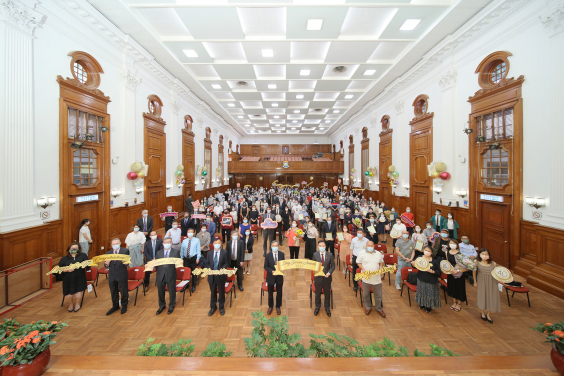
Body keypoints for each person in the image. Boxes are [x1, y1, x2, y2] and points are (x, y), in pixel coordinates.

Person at [356, 240, 385, 317]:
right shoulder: (362, 253)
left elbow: (381, 262)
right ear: (366, 246)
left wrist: (381, 267)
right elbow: (358, 262)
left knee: (378, 295)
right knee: (366, 294)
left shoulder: (378, 254)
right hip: (366, 278)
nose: (370, 247)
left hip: (377, 278)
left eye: (371, 246)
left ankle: (379, 308)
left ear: (374, 246)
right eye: (368, 245)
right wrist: (363, 269)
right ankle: (368, 307)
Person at [472, 248, 500, 324]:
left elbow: (496, 273)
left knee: (492, 297)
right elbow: (474, 273)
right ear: (480, 255)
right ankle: (482, 313)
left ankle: (488, 314)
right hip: (481, 281)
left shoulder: (493, 263)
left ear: (489, 255)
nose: (485, 256)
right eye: (483, 254)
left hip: (492, 281)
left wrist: (499, 281)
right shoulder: (476, 262)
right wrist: (475, 282)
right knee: (482, 296)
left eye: (486, 254)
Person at [59, 243, 88, 312]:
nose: (74, 250)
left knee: (79, 290)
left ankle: (77, 304)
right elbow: (58, 270)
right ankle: (70, 305)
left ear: (78, 250)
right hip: (68, 278)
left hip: (79, 277)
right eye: (72, 248)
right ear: (69, 250)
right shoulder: (64, 259)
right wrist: (67, 270)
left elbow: (88, 266)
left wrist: (83, 266)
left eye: (75, 248)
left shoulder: (83, 256)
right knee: (68, 292)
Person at [412, 245, 442, 313]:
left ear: (431, 253)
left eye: (429, 251)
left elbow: (439, 273)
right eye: (426, 250)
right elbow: (414, 266)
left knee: (430, 294)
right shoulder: (419, 257)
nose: (427, 252)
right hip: (421, 278)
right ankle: (422, 304)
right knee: (421, 292)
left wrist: (432, 271)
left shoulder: (435, 261)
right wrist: (413, 264)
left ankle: (429, 306)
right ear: (423, 251)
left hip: (431, 280)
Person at [105, 238, 129, 315]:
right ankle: (115, 306)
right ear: (111, 245)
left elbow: (127, 264)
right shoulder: (108, 253)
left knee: (123, 291)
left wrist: (124, 262)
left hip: (121, 274)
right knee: (113, 291)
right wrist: (107, 263)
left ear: (120, 243)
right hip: (112, 275)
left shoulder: (125, 251)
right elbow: (105, 265)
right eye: (114, 244)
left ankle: (124, 305)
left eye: (117, 243)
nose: (115, 245)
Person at [155, 237, 179, 315]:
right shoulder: (159, 253)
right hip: (160, 275)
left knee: (171, 291)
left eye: (169, 242)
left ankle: (171, 305)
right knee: (160, 292)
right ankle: (162, 305)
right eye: (166, 242)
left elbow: (178, 263)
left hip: (171, 274)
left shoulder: (176, 252)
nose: (167, 243)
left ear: (171, 243)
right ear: (163, 244)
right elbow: (156, 265)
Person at [206, 239, 229, 316]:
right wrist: (208, 268)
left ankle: (221, 307)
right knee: (212, 292)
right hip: (212, 276)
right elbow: (207, 263)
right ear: (213, 244)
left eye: (218, 243)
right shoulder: (209, 253)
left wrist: (223, 268)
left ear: (221, 244)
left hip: (221, 276)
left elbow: (227, 262)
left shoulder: (224, 252)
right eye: (215, 243)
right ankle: (213, 307)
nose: (217, 244)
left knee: (221, 292)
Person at [312, 241, 335, 317]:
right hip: (318, 277)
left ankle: (327, 307)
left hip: (327, 278)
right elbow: (313, 265)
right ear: (318, 247)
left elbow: (333, 266)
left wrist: (329, 272)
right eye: (320, 245)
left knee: (327, 293)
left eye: (323, 245)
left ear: (325, 246)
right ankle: (317, 307)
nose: (321, 247)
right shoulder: (315, 255)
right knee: (317, 293)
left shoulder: (330, 254)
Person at [446, 239, 467, 312]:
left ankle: (459, 303)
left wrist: (457, 270)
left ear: (457, 245)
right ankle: (454, 302)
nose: (452, 244)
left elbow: (465, 266)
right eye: (451, 243)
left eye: (454, 243)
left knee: (460, 288)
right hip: (451, 272)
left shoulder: (460, 254)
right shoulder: (447, 252)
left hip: (459, 272)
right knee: (452, 287)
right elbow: (448, 262)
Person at [264, 241, 284, 315]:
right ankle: (270, 306)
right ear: (271, 246)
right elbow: (265, 266)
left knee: (279, 293)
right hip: (271, 277)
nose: (275, 246)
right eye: (273, 245)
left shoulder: (282, 254)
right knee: (270, 293)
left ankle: (278, 306)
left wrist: (281, 269)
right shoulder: (268, 255)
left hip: (279, 277)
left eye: (276, 245)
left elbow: (283, 265)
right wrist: (271, 271)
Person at [180, 228, 201, 293]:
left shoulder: (197, 240)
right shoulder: (184, 241)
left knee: (194, 273)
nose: (190, 233)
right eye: (189, 232)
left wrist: (198, 258)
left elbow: (198, 250)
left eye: (191, 232)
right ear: (187, 233)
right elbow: (182, 251)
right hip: (186, 259)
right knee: (186, 273)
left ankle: (193, 286)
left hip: (193, 259)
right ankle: (186, 285)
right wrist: (181, 259)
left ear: (194, 233)